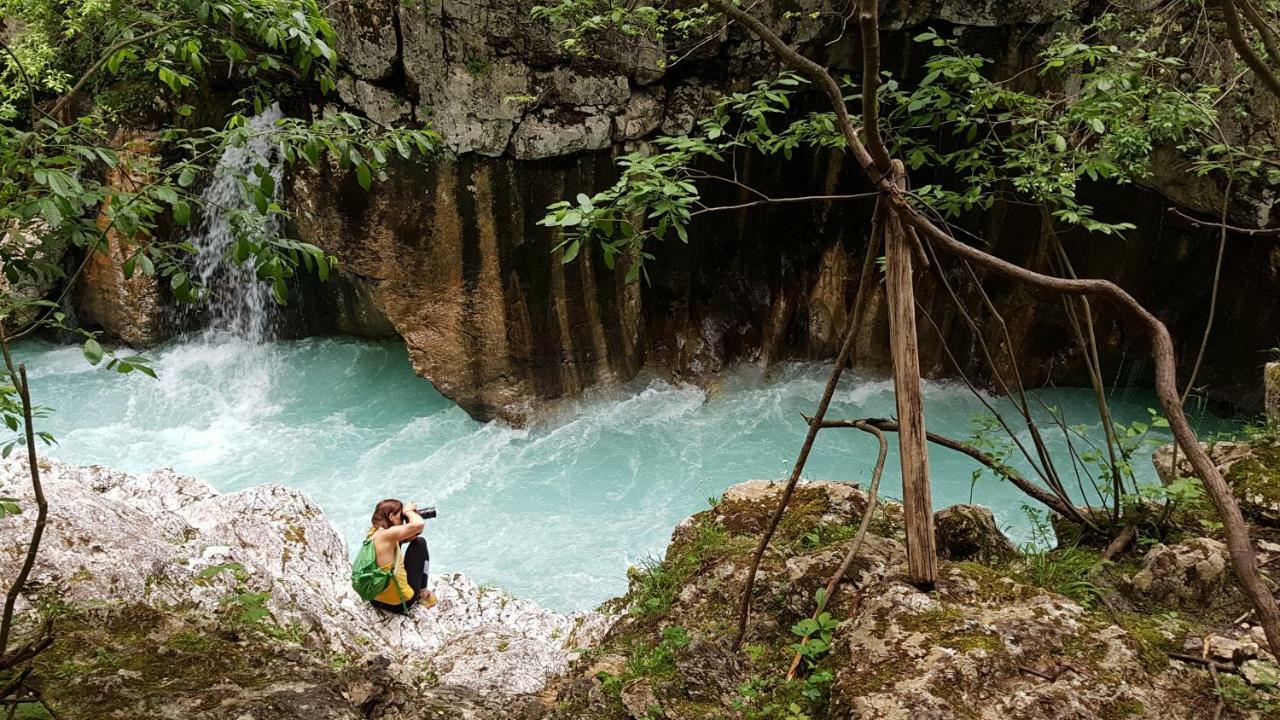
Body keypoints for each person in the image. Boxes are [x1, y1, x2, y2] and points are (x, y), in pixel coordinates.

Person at [367, 499, 436, 613]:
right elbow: (419, 525)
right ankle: (422, 593)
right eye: (400, 515)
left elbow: (412, 534)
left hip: (374, 599)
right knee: (420, 543)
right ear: (391, 516)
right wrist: (409, 511)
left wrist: (408, 522)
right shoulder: (388, 535)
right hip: (398, 604)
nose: (402, 518)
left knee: (415, 541)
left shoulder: (374, 533)